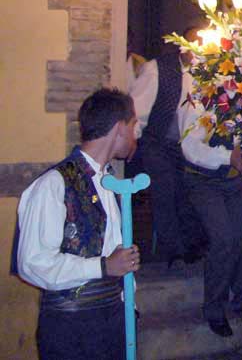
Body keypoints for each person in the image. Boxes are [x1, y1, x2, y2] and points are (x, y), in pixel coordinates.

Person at [16, 88, 142, 360]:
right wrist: (104, 266)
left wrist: (128, 304)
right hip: (73, 331)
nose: (136, 135)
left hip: (112, 321)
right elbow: (33, 263)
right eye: (134, 126)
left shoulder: (110, 183)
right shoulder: (52, 185)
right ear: (119, 128)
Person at [178, 75, 242, 337]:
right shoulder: (199, 95)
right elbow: (190, 147)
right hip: (203, 180)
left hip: (231, 182)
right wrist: (228, 156)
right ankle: (214, 307)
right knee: (223, 237)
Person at [130, 28, 204, 266]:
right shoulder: (156, 69)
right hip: (158, 141)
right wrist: (132, 140)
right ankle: (173, 250)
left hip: (189, 145)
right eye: (193, 44)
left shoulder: (207, 73)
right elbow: (137, 110)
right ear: (181, 45)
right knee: (166, 191)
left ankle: (193, 243)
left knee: (191, 191)